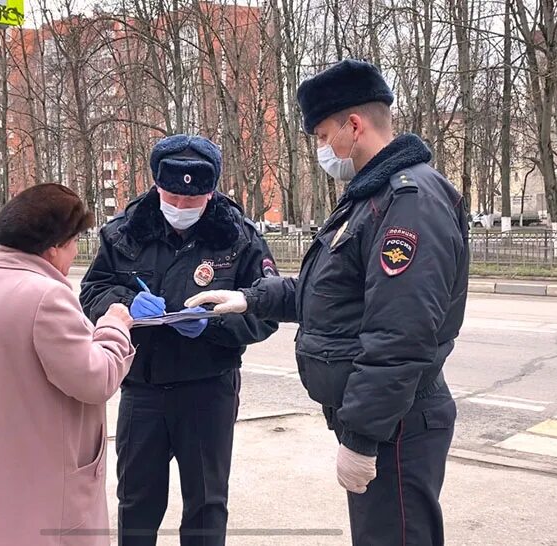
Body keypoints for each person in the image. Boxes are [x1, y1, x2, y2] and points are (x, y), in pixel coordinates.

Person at [187, 59, 469, 546]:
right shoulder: (370, 197)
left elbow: (401, 333)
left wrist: (362, 438)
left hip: (395, 425)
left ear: (353, 125)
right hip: (383, 418)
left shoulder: (407, 200)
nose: (322, 148)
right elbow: (329, 293)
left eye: (321, 135)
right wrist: (249, 298)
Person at [80, 134, 279, 546]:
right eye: (173, 196)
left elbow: (266, 309)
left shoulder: (236, 237)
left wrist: (212, 326)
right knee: (136, 500)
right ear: (157, 186)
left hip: (208, 388)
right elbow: (93, 290)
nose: (182, 207)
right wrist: (127, 304)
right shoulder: (125, 232)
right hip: (143, 388)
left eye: (194, 199)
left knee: (207, 503)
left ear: (211, 191)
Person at [0, 184, 136, 546]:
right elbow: (96, 378)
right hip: (49, 486)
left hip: (4, 470)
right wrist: (114, 324)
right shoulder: (47, 296)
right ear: (54, 248)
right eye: (74, 243)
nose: (75, 254)